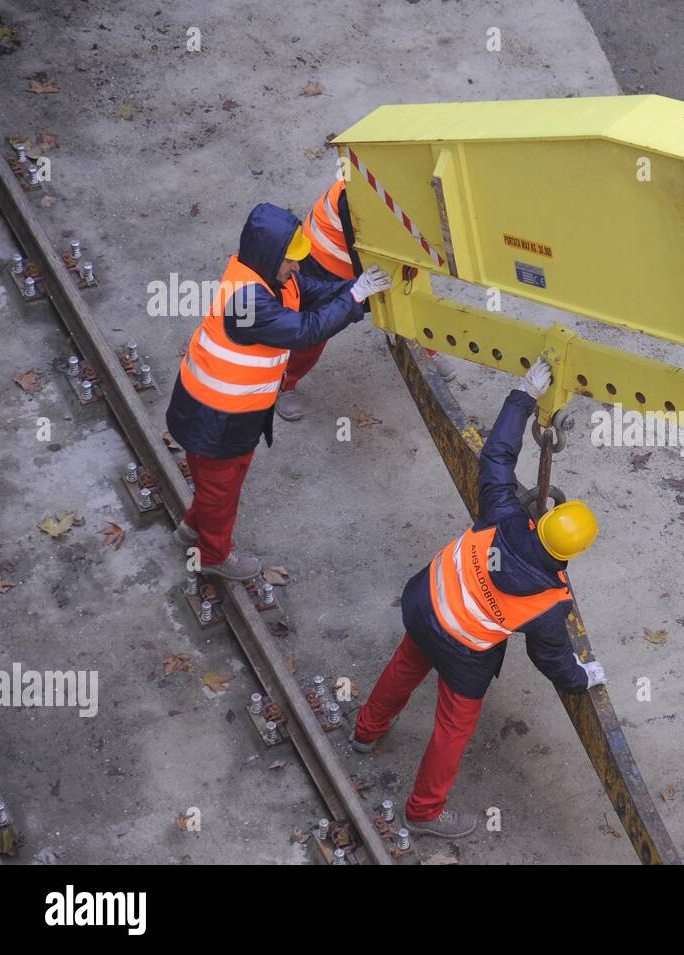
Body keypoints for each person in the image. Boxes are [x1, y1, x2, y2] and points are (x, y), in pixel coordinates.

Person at [351, 358, 606, 838]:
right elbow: (551, 657)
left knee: (404, 667)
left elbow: (497, 457)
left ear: (544, 520)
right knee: (452, 730)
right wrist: (582, 678)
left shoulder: (502, 514)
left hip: (427, 604)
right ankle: (423, 813)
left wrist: (523, 395)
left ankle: (365, 731)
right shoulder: (549, 600)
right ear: (575, 553)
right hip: (462, 649)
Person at [165, 202, 392, 580]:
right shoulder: (248, 304)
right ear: (270, 257)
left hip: (229, 418)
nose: (297, 267)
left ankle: (191, 528)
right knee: (222, 493)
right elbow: (306, 331)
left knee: (219, 485)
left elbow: (314, 289)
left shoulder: (271, 276)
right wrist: (354, 298)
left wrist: (356, 290)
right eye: (291, 260)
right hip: (213, 421)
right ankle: (213, 554)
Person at [277, 179, 454, 421]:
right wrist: (388, 315)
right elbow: (364, 263)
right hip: (323, 264)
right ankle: (285, 383)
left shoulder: (406, 186)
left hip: (367, 257)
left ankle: (427, 350)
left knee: (414, 298)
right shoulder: (354, 199)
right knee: (316, 331)